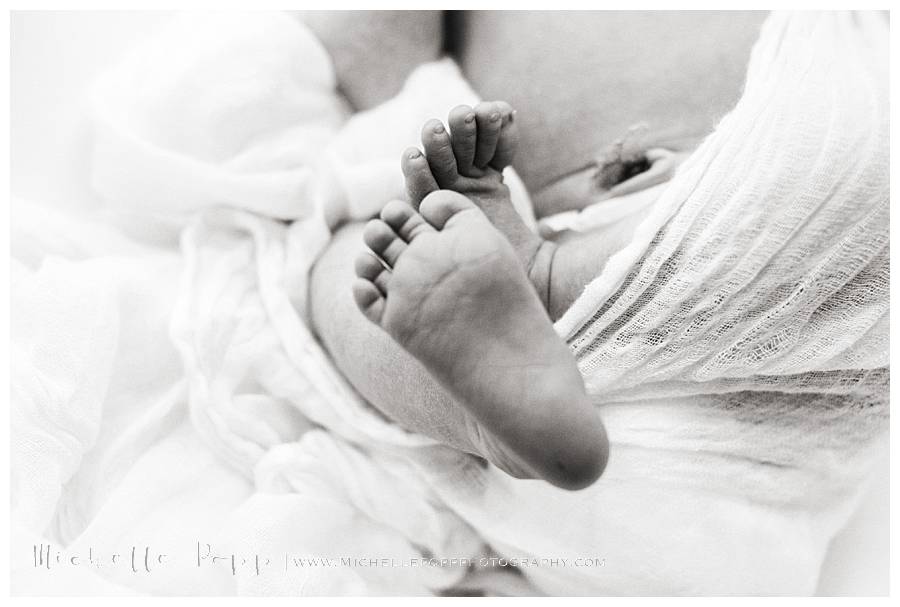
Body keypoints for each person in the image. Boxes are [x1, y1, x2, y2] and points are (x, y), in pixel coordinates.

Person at [301, 11, 768, 487]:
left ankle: (492, 380)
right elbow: (369, 38)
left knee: (357, 261)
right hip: (708, 213)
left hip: (725, 197)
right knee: (361, 264)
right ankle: (479, 408)